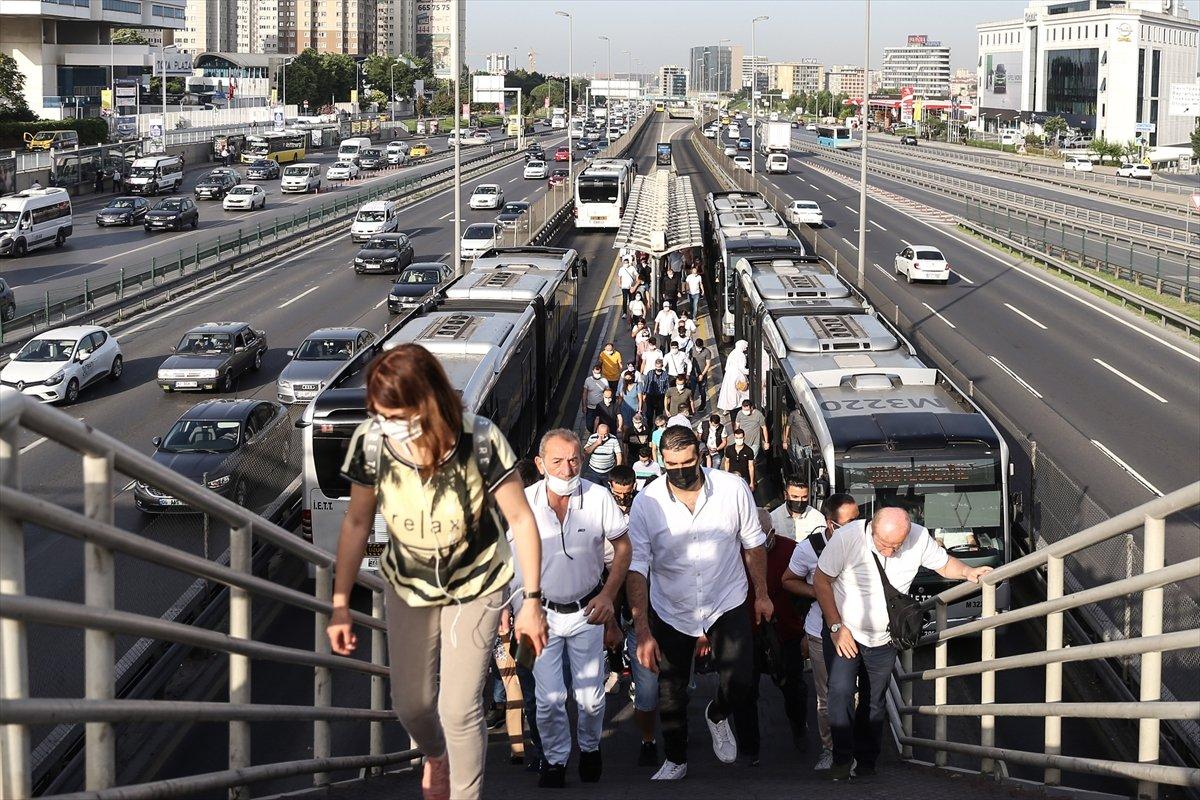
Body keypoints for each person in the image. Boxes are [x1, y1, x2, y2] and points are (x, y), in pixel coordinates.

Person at [327, 343, 549, 800]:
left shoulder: (480, 440)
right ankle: (435, 753)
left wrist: (532, 602)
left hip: (478, 584)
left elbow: (523, 520)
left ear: (428, 403)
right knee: (411, 705)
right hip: (408, 583)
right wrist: (340, 603)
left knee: (459, 708)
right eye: (379, 414)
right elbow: (355, 522)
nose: (388, 426)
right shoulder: (372, 443)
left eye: (397, 415)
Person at [625, 425, 771, 781]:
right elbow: (637, 566)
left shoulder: (733, 488)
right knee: (670, 690)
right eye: (672, 465)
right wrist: (642, 629)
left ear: (701, 456)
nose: (681, 472)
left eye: (688, 463)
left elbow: (752, 544)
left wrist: (762, 594)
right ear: (662, 461)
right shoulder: (647, 503)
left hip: (727, 599)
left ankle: (718, 714)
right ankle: (676, 758)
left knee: (741, 682)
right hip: (672, 607)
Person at [814, 507, 993, 781]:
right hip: (845, 632)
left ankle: (866, 763)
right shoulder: (847, 538)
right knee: (839, 693)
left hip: (885, 637)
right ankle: (842, 758)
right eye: (883, 545)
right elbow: (821, 580)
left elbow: (943, 564)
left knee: (874, 702)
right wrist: (836, 626)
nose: (889, 552)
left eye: (896, 546)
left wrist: (969, 572)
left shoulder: (918, 537)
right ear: (872, 529)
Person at [523, 430, 630, 788]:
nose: (567, 469)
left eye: (573, 460)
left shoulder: (599, 498)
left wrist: (608, 596)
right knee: (549, 698)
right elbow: (510, 562)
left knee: (590, 698)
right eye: (557, 461)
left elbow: (623, 547)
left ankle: (589, 748)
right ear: (540, 465)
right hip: (543, 615)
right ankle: (554, 760)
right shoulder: (523, 504)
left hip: (588, 612)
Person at [781, 493, 860, 771]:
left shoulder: (865, 541)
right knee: (828, 696)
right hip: (821, 631)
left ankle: (855, 749)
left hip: (861, 628)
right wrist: (818, 591)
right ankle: (831, 749)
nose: (857, 526)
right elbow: (788, 580)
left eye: (859, 518)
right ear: (830, 524)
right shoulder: (809, 549)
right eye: (850, 521)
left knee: (855, 694)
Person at [739, 507, 809, 763]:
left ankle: (799, 726)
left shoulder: (792, 550)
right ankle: (750, 750)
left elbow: (810, 591)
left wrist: (804, 633)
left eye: (762, 536)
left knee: (793, 688)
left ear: (772, 532)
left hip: (786, 632)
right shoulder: (734, 552)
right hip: (746, 633)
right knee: (745, 692)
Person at [605, 466, 661, 766]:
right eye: (619, 496)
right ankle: (649, 740)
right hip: (633, 618)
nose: (624, 500)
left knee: (680, 687)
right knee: (649, 691)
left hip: (668, 615)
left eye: (628, 496)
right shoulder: (606, 514)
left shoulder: (643, 512)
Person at [770, 476, 826, 542]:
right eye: (795, 497)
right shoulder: (772, 519)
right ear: (785, 495)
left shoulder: (818, 519)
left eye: (804, 497)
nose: (800, 501)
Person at [716, 340, 750, 413]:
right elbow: (742, 369)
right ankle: (744, 406)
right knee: (743, 391)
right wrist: (750, 371)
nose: (746, 348)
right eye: (745, 346)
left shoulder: (733, 352)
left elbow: (726, 366)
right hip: (738, 375)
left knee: (728, 392)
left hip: (729, 375)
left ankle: (726, 408)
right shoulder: (741, 355)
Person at [580, 363, 609, 433]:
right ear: (592, 371)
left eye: (598, 373)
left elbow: (608, 392)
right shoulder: (588, 380)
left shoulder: (604, 381)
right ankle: (593, 432)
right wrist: (584, 405)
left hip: (601, 407)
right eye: (595, 373)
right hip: (590, 407)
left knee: (601, 423)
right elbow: (584, 393)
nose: (597, 374)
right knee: (589, 425)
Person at [690, 338, 715, 411]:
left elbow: (708, 364)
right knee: (692, 391)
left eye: (700, 347)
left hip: (702, 375)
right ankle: (691, 406)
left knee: (702, 390)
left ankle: (703, 404)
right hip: (693, 374)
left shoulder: (707, 352)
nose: (698, 349)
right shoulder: (692, 350)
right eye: (697, 347)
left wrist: (702, 374)